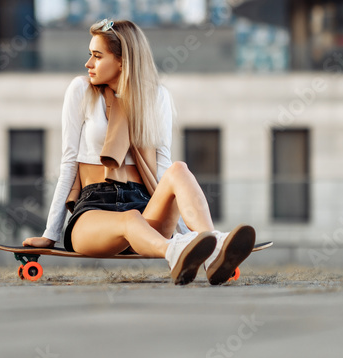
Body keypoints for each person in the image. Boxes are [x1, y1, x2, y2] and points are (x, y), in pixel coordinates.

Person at [22, 18, 256, 285]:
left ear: (123, 61)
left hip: (145, 206)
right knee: (129, 219)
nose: (88, 63)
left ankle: (213, 248)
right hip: (93, 210)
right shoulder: (82, 91)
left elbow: (163, 172)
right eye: (90, 55)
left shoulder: (157, 97)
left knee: (178, 169)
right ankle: (176, 252)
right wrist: (50, 233)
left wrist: (184, 231)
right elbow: (68, 165)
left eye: (97, 56)